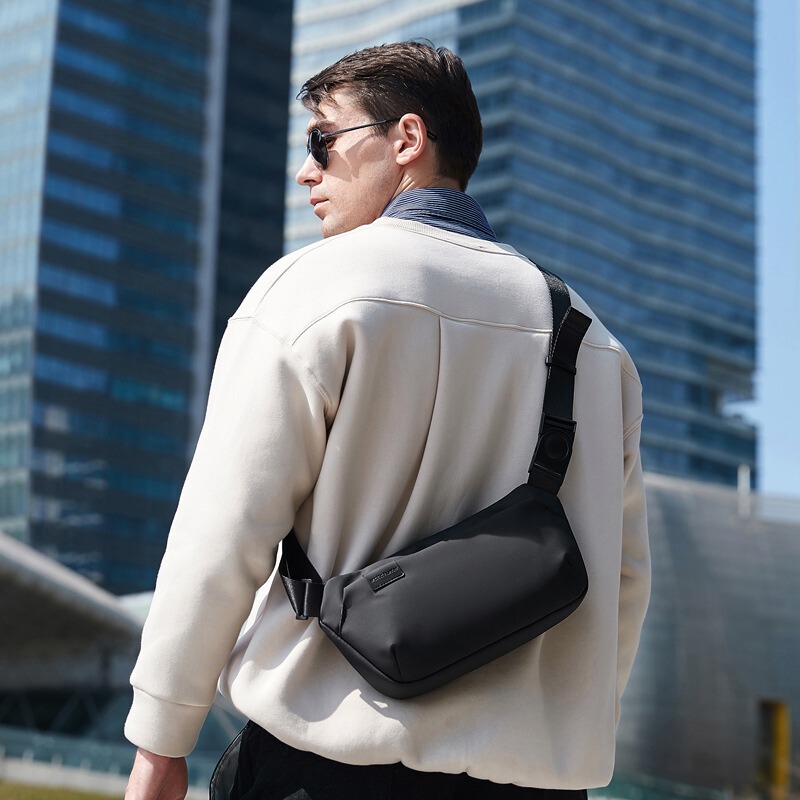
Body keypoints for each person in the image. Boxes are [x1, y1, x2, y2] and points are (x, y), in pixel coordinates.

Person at [124, 41, 650, 800]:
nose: (307, 171)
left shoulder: (313, 289)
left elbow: (224, 528)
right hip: (532, 779)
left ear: (407, 139)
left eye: (323, 141)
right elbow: (622, 581)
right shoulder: (593, 342)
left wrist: (160, 740)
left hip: (327, 763)